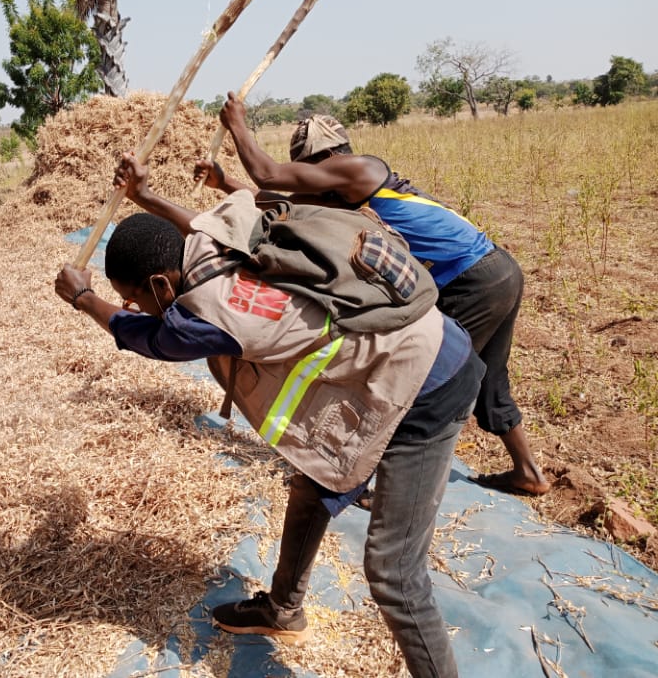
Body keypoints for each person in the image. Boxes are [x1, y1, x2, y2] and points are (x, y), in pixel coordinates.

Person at [55, 152, 485, 677]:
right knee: (311, 486)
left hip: (428, 384)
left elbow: (149, 338)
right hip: (389, 366)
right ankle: (282, 610)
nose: (137, 307)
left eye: (135, 298)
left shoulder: (209, 316)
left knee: (394, 573)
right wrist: (146, 197)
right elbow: (196, 220)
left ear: (162, 287)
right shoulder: (211, 240)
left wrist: (85, 300)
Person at [193, 91, 550, 497]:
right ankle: (528, 471)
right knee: (489, 376)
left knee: (417, 376)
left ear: (325, 161)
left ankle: (365, 482)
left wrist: (237, 121)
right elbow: (284, 204)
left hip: (471, 280)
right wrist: (224, 183)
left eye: (308, 170)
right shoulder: (346, 191)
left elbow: (270, 176)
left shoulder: (359, 170)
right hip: (497, 271)